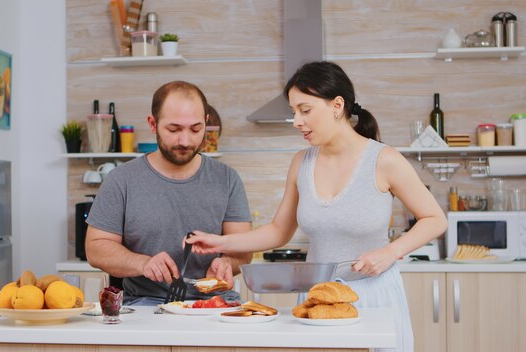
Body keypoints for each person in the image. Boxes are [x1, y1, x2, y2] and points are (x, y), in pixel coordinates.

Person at [187, 61, 447, 351]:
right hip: (317, 299)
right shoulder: (301, 162)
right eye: (293, 112)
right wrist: (219, 241)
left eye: (305, 110)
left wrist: (391, 252)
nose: (297, 120)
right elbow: (278, 231)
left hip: (372, 297)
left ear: (337, 105)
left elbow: (435, 219)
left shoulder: (384, 160)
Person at [85, 80, 253, 306]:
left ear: (205, 123)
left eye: (195, 129)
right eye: (174, 130)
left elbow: (243, 252)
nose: (185, 141)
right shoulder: (121, 180)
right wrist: (143, 264)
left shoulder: (227, 179)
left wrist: (227, 264)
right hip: (145, 303)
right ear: (152, 124)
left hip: (215, 303)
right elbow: (95, 248)